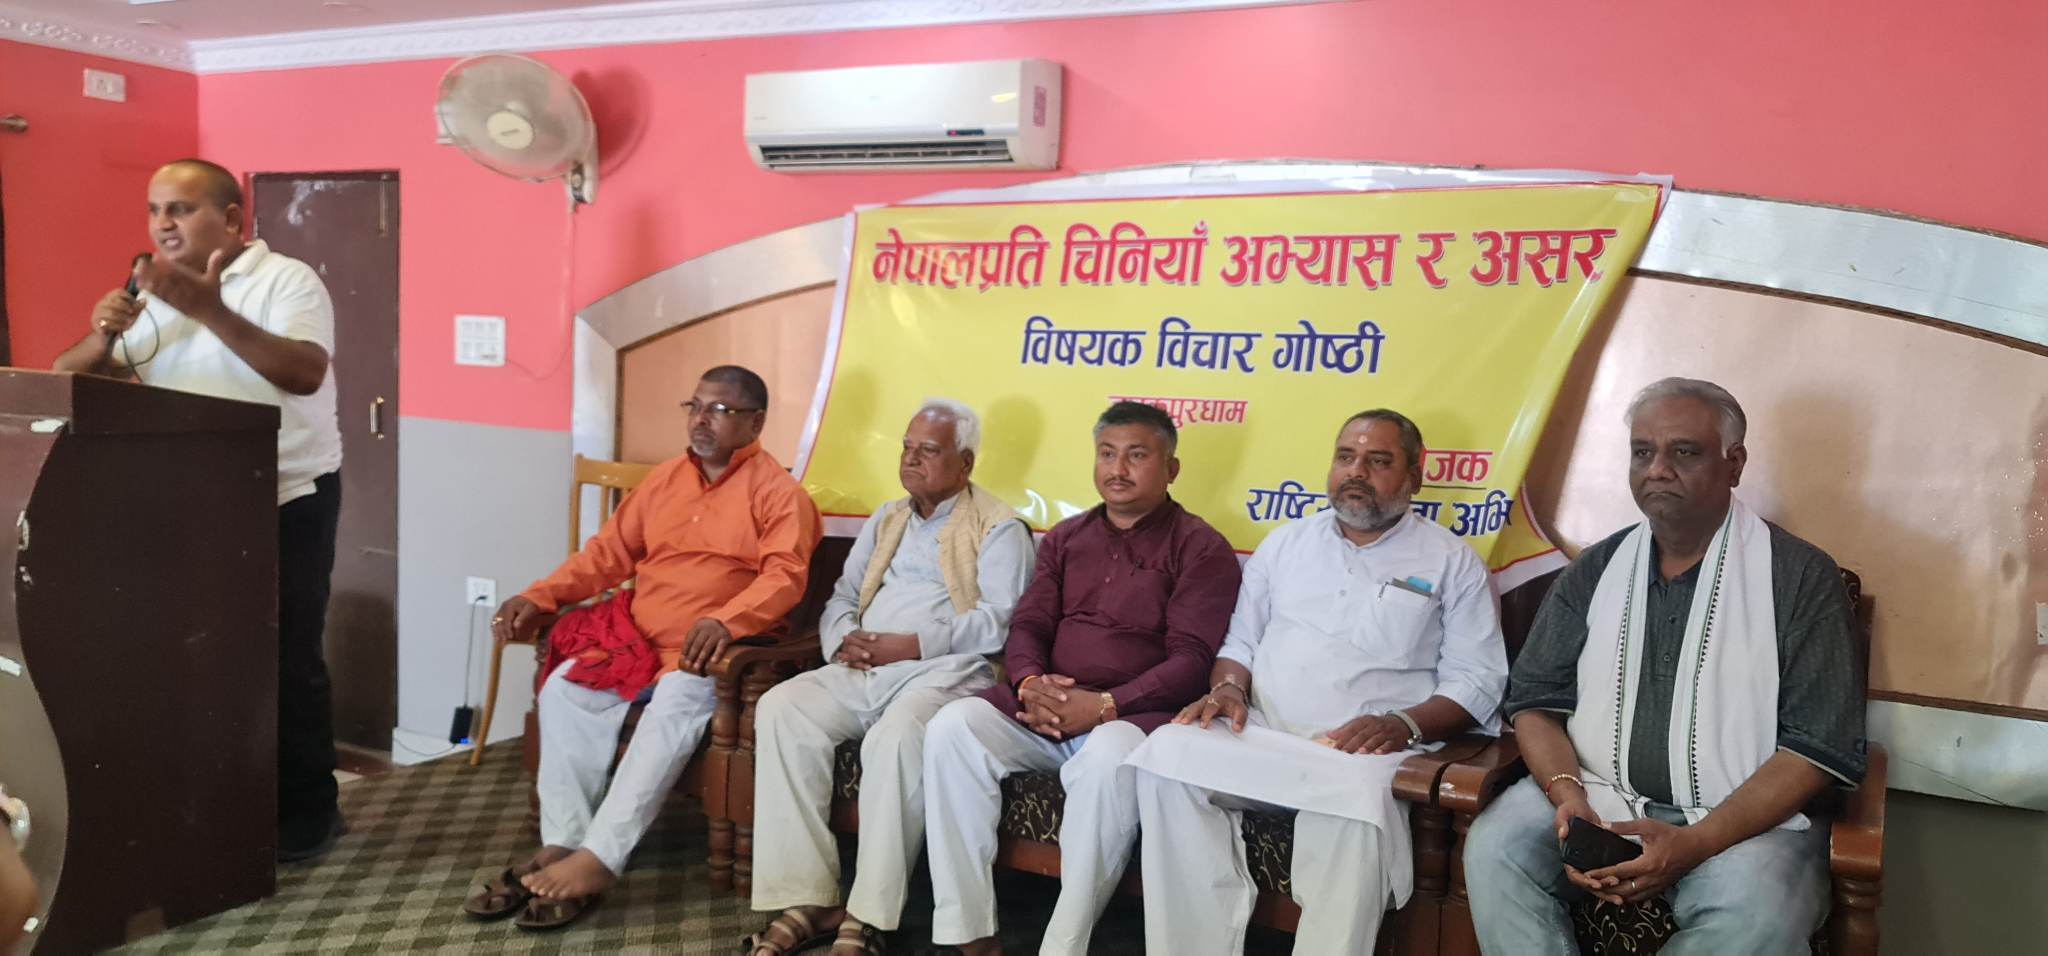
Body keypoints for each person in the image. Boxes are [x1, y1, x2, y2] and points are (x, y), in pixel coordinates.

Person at [1463, 377, 1866, 954]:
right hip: (1596, 796)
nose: (1657, 469)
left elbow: (1817, 746)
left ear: (1734, 464)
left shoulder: (1800, 578)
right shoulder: (1595, 569)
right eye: (1642, 452)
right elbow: (1535, 702)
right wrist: (1568, 797)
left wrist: (1696, 843)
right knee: (1495, 849)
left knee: (1759, 918)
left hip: (1745, 825)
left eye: (1684, 452)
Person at [1123, 409, 1509, 954]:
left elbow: (1478, 679)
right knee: (1168, 756)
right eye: (1346, 457)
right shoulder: (1285, 543)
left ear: (1415, 479)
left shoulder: (1452, 562)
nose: (1357, 472)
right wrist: (1228, 688)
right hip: (1264, 734)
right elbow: (1239, 643)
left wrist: (1402, 724)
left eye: (1378, 461)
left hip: (1361, 752)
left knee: (1356, 804)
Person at [52, 159, 346, 863]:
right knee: (204, 660)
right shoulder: (149, 292)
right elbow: (64, 378)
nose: (163, 224)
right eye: (154, 210)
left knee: (285, 660)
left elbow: (304, 372)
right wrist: (103, 334)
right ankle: (223, 804)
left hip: (285, 499)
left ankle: (308, 812)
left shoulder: (287, 281)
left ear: (232, 218)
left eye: (180, 209)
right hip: (186, 505)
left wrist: (204, 307)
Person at [463, 366, 821, 930]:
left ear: (756, 423)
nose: (701, 420)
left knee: (676, 701)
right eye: (695, 406)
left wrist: (726, 622)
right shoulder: (665, 480)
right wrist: (538, 595)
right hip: (637, 646)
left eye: (720, 410)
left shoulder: (778, 494)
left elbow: (784, 578)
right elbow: (604, 556)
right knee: (564, 689)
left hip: (709, 657)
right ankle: (564, 842)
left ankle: (600, 859)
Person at [921, 401, 1242, 956]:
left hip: (1134, 716)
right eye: (1107, 454)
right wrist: (1029, 684)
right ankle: (968, 933)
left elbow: (1192, 661)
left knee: (1106, 758)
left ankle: (1063, 944)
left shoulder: (1200, 546)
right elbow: (1029, 624)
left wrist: (1107, 705)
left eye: (1136, 456)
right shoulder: (1067, 537)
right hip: (1047, 706)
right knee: (953, 726)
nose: (1118, 469)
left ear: (1171, 469)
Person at [745, 399, 1034, 956]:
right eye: (907, 447)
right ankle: (810, 897)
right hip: (864, 667)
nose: (911, 459)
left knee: (897, 737)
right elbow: (843, 596)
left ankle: (868, 914)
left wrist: (913, 645)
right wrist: (843, 640)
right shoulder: (887, 518)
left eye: (929, 450)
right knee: (783, 707)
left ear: (965, 463)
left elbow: (1001, 621)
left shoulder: (1000, 527)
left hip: (946, 672)